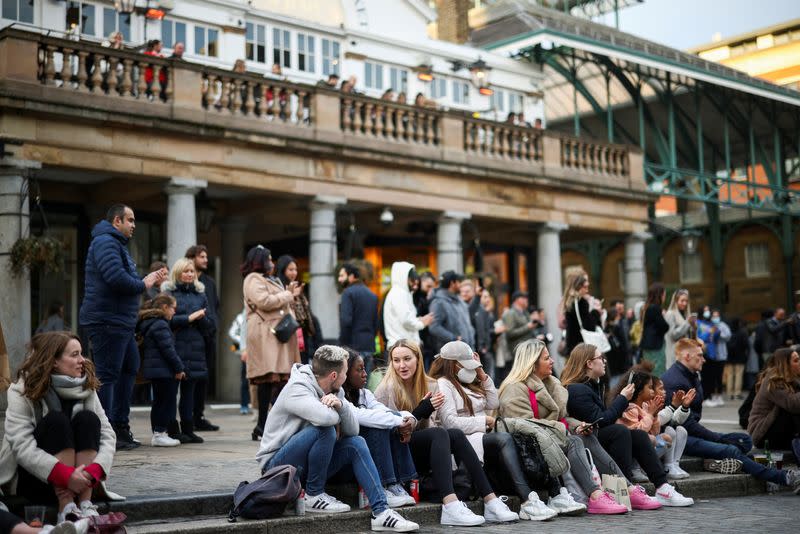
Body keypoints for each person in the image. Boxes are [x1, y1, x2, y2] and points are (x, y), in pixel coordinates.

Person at [256, 345, 419, 532]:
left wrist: (340, 405)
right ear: (334, 375)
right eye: (345, 372)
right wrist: (340, 409)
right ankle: (314, 495)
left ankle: (381, 512)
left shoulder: (336, 391)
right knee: (325, 430)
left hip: (306, 465)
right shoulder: (297, 388)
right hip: (277, 468)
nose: (346, 377)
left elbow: (352, 429)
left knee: (357, 443)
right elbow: (326, 419)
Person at [432, 341, 585, 520]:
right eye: (467, 366)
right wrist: (483, 421)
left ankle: (556, 493)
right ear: (453, 365)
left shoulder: (467, 383)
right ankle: (528, 500)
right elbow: (449, 422)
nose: (471, 370)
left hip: (481, 434)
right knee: (504, 438)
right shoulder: (444, 384)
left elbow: (493, 403)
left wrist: (482, 375)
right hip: (467, 438)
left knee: (527, 436)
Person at [374, 340, 518, 526]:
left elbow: (434, 426)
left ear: (418, 359)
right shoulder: (385, 389)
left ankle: (491, 500)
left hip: (421, 447)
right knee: (440, 433)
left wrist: (422, 415)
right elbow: (389, 434)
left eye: (407, 359)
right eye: (396, 360)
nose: (402, 365)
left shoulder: (430, 385)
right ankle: (450, 505)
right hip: (398, 453)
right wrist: (420, 412)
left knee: (455, 434)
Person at [498, 339, 629, 515]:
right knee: (576, 440)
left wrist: (578, 425)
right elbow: (522, 426)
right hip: (529, 449)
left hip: (549, 440)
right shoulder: (514, 389)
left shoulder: (552, 385)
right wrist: (563, 429)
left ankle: (624, 487)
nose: (552, 361)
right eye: (546, 358)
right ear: (532, 363)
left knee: (584, 435)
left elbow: (564, 417)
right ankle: (596, 494)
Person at [0, 333, 115, 522]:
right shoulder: (21, 390)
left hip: (83, 483)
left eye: (81, 353)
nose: (82, 361)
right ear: (53, 361)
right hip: (38, 479)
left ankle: (86, 505)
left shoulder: (85, 386)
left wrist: (93, 471)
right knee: (56, 421)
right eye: (75, 355)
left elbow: (107, 434)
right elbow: (21, 445)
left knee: (88, 419)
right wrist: (64, 475)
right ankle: (67, 506)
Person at [561, 343, 693, 507]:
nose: (604, 361)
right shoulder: (577, 389)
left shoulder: (593, 386)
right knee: (619, 431)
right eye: (600, 358)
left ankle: (663, 487)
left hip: (596, 439)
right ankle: (626, 488)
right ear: (589, 363)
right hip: (585, 441)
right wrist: (623, 398)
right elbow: (601, 421)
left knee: (637, 435)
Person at [79, 204, 168, 450]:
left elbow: (123, 278)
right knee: (107, 375)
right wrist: (145, 282)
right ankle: (106, 434)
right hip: (107, 320)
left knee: (130, 367)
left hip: (121, 322)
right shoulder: (106, 242)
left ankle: (119, 426)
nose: (133, 225)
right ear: (117, 220)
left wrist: (145, 282)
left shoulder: (116, 244)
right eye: (130, 220)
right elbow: (116, 279)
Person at [661, 338, 800, 492]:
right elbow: (685, 424)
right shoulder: (676, 380)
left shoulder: (691, 375)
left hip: (690, 431)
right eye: (699, 355)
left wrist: (719, 438)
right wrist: (717, 438)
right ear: (687, 356)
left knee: (744, 440)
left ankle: (716, 459)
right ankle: (783, 477)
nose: (704, 359)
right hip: (679, 436)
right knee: (730, 449)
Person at [342, 350, 417, 508]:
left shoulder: (365, 394)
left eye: (364, 369)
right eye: (359, 369)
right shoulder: (337, 396)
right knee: (378, 426)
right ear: (346, 373)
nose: (365, 374)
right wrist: (397, 420)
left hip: (365, 456)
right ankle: (384, 485)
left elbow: (383, 411)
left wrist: (408, 419)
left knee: (390, 423)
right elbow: (360, 416)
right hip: (345, 461)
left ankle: (396, 484)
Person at [241, 246, 301, 441]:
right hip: (265, 334)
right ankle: (262, 424)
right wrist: (288, 295)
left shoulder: (269, 279)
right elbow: (264, 301)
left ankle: (266, 425)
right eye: (268, 259)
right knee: (268, 380)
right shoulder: (253, 279)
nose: (272, 263)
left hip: (276, 335)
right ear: (260, 261)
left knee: (279, 380)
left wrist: (289, 294)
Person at [161, 258, 214, 444]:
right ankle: (172, 429)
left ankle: (188, 429)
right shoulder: (168, 293)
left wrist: (201, 319)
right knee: (170, 392)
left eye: (192, 271)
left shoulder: (201, 295)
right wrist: (190, 318)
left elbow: (210, 325)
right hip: (175, 347)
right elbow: (165, 321)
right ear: (178, 273)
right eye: (186, 271)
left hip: (196, 349)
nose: (190, 274)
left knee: (189, 393)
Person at [612, 366, 689, 481]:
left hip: (641, 443)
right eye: (650, 388)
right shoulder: (629, 408)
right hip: (629, 448)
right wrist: (650, 414)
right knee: (651, 439)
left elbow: (655, 431)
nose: (653, 391)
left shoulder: (644, 406)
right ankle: (635, 469)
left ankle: (646, 467)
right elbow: (639, 433)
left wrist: (655, 415)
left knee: (665, 438)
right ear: (639, 390)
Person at [137, 294, 184, 447]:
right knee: (166, 401)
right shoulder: (161, 325)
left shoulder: (151, 323)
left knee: (158, 401)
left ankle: (158, 433)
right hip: (163, 370)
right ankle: (160, 433)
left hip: (156, 370)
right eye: (173, 308)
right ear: (164, 307)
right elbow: (168, 350)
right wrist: (179, 368)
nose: (174, 312)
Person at [185, 245, 220, 432]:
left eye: (206, 256)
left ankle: (199, 416)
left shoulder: (210, 282)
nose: (206, 260)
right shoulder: (185, 282)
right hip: (191, 336)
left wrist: (213, 326)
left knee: (204, 377)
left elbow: (215, 307)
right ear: (191, 258)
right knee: (190, 380)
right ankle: (188, 418)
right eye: (202, 256)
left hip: (208, 336)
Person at [747, 347, 800, 454]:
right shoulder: (773, 381)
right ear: (785, 364)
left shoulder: (793, 378)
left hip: (778, 430)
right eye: (796, 360)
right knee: (787, 410)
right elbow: (794, 404)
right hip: (763, 434)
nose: (799, 362)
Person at [337, 263, 378, 372]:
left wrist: (342, 346)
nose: (339, 279)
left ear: (351, 276)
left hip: (352, 348)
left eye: (342, 276)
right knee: (365, 384)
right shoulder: (372, 295)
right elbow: (375, 324)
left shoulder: (348, 293)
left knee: (351, 385)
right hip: (369, 346)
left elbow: (346, 321)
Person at [651, 373, 692, 479]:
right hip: (650, 448)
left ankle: (674, 464)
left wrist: (684, 407)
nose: (664, 392)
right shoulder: (647, 404)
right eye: (661, 389)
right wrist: (673, 406)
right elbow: (659, 419)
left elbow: (675, 420)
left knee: (681, 430)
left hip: (660, 446)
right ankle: (668, 466)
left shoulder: (661, 403)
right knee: (669, 430)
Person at [383, 262, 433, 348]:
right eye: (412, 280)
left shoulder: (402, 293)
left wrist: (419, 320)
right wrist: (422, 323)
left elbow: (405, 319)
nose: (414, 285)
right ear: (403, 278)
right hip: (401, 347)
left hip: (403, 345)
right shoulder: (399, 294)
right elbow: (406, 321)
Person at [277, 256, 315, 365]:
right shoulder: (278, 287)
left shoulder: (297, 287)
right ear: (282, 269)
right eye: (290, 270)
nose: (294, 273)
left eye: (295, 269)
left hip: (302, 332)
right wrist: (292, 295)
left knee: (302, 365)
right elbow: (281, 308)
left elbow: (306, 312)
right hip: (288, 332)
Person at [429, 271, 475, 354]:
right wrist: (454, 338)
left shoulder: (458, 299)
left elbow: (469, 314)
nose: (460, 285)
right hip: (452, 354)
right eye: (458, 282)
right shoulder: (439, 302)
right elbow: (434, 327)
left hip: (467, 351)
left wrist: (478, 297)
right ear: (452, 283)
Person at [562, 272, 604, 359]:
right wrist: (596, 312)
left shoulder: (569, 301)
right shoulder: (581, 302)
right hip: (583, 347)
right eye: (585, 287)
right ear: (577, 287)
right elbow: (589, 326)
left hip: (573, 347)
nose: (587, 290)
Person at [697, 307, 731, 407]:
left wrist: (716, 332)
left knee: (711, 377)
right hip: (704, 352)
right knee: (704, 376)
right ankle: (705, 397)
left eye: (708, 310)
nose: (707, 312)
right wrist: (710, 332)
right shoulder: (699, 323)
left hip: (713, 354)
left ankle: (709, 397)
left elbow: (717, 336)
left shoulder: (711, 324)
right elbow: (700, 337)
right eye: (705, 310)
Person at [640, 283, 669, 377]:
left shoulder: (647, 307)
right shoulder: (655, 308)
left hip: (648, 345)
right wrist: (663, 316)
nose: (664, 297)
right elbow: (664, 326)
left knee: (649, 371)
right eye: (664, 295)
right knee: (656, 373)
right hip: (655, 346)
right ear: (660, 295)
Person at [664, 289, 695, 371]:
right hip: (675, 354)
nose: (684, 303)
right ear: (676, 301)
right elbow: (672, 335)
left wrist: (693, 327)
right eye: (682, 301)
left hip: (686, 353)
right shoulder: (670, 314)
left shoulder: (686, 314)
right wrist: (687, 323)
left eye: (686, 301)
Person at [227, 309, 251, 415]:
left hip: (260, 352)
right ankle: (244, 405)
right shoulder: (241, 317)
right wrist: (243, 342)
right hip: (247, 352)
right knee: (245, 380)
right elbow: (232, 332)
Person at [502, 291, 537, 360]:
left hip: (528, 348)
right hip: (519, 351)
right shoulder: (510, 313)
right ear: (517, 300)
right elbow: (510, 333)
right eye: (523, 298)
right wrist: (527, 327)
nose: (526, 299)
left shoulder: (525, 312)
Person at [413, 271, 436, 369]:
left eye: (432, 287)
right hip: (419, 341)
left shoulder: (427, 298)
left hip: (427, 342)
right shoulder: (416, 298)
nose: (430, 290)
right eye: (428, 286)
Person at [473, 291, 498, 381]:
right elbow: (481, 330)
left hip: (487, 347)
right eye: (485, 297)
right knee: (487, 376)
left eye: (488, 297)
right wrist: (483, 346)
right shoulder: (479, 311)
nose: (487, 299)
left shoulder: (486, 311)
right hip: (483, 349)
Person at [725, 318, 749, 400]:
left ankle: (730, 392)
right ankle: (737, 392)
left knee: (730, 375)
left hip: (729, 357)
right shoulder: (742, 332)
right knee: (738, 375)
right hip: (740, 356)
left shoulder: (729, 332)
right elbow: (746, 344)